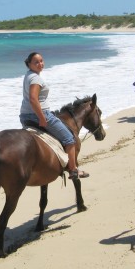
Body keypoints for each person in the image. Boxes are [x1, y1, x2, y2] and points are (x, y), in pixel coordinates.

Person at [19, 52, 89, 180]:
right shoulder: (36, 79)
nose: (40, 64)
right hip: (39, 115)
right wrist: (41, 117)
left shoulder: (28, 75)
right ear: (29, 64)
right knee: (69, 139)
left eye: (41, 61)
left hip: (25, 116)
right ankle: (73, 170)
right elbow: (33, 99)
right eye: (36, 62)